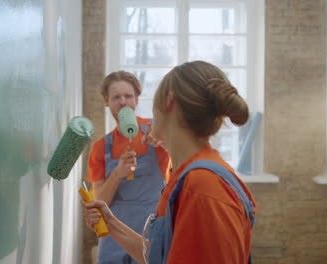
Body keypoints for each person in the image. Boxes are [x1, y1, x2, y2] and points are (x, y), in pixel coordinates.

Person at [83, 61, 257, 264]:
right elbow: (162, 256)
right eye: (116, 97)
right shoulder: (185, 179)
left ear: (168, 101)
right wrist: (111, 223)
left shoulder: (202, 187)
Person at [87, 71, 171, 264]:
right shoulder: (100, 148)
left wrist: (163, 140)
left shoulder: (155, 131)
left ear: (137, 100)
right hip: (113, 236)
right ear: (106, 101)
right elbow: (99, 200)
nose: (123, 102)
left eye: (128, 96)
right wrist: (117, 174)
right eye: (116, 97)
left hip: (152, 231)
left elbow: (182, 161)